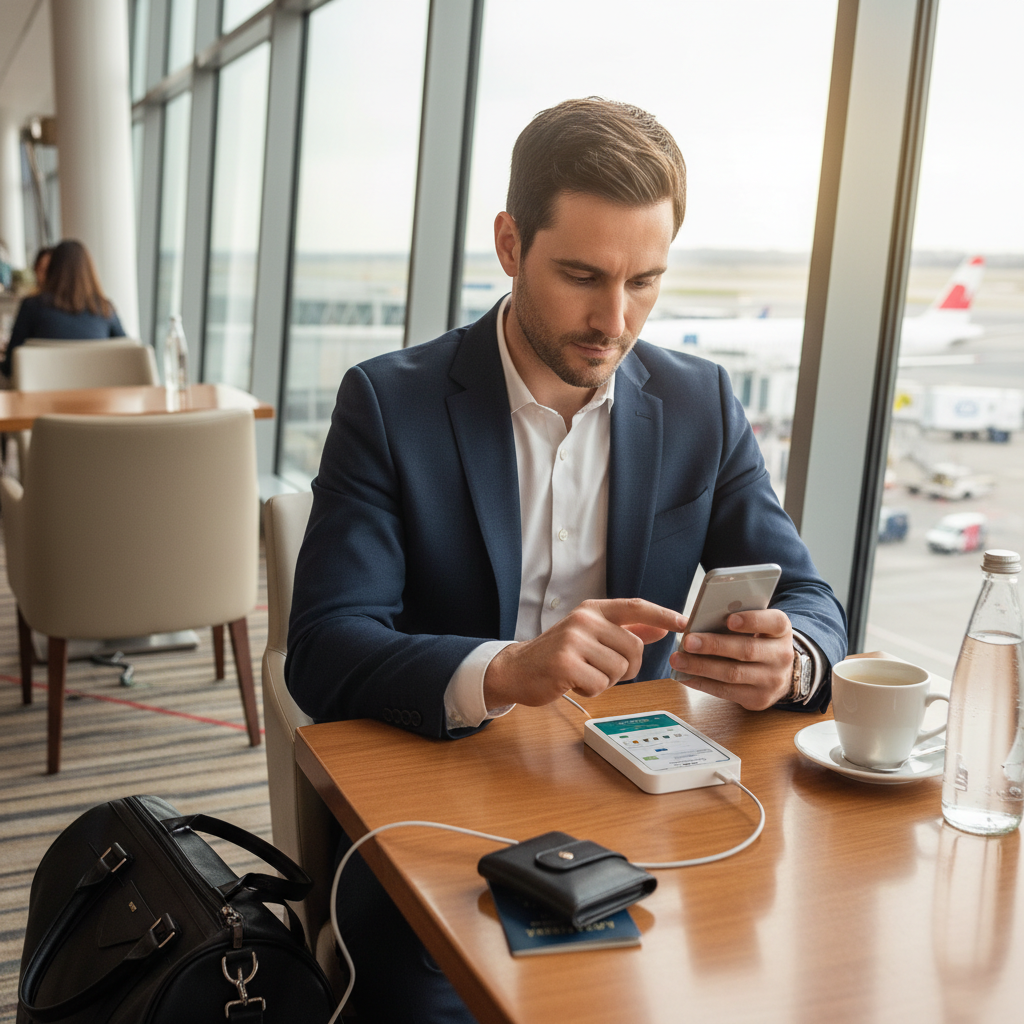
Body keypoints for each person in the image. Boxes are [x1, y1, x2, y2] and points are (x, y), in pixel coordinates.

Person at [287, 98, 847, 1023]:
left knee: (771, 975)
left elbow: (810, 596)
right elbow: (323, 648)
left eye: (645, 281)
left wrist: (791, 662)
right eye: (582, 276)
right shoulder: (389, 404)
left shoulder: (701, 402)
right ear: (510, 244)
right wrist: (506, 669)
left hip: (644, 804)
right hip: (441, 803)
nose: (613, 320)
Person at [1, 239, 125, 378]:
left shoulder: (32, 306)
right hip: (98, 389)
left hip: (44, 389)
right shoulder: (105, 308)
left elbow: (10, 366)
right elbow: (127, 355)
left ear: (52, 269)